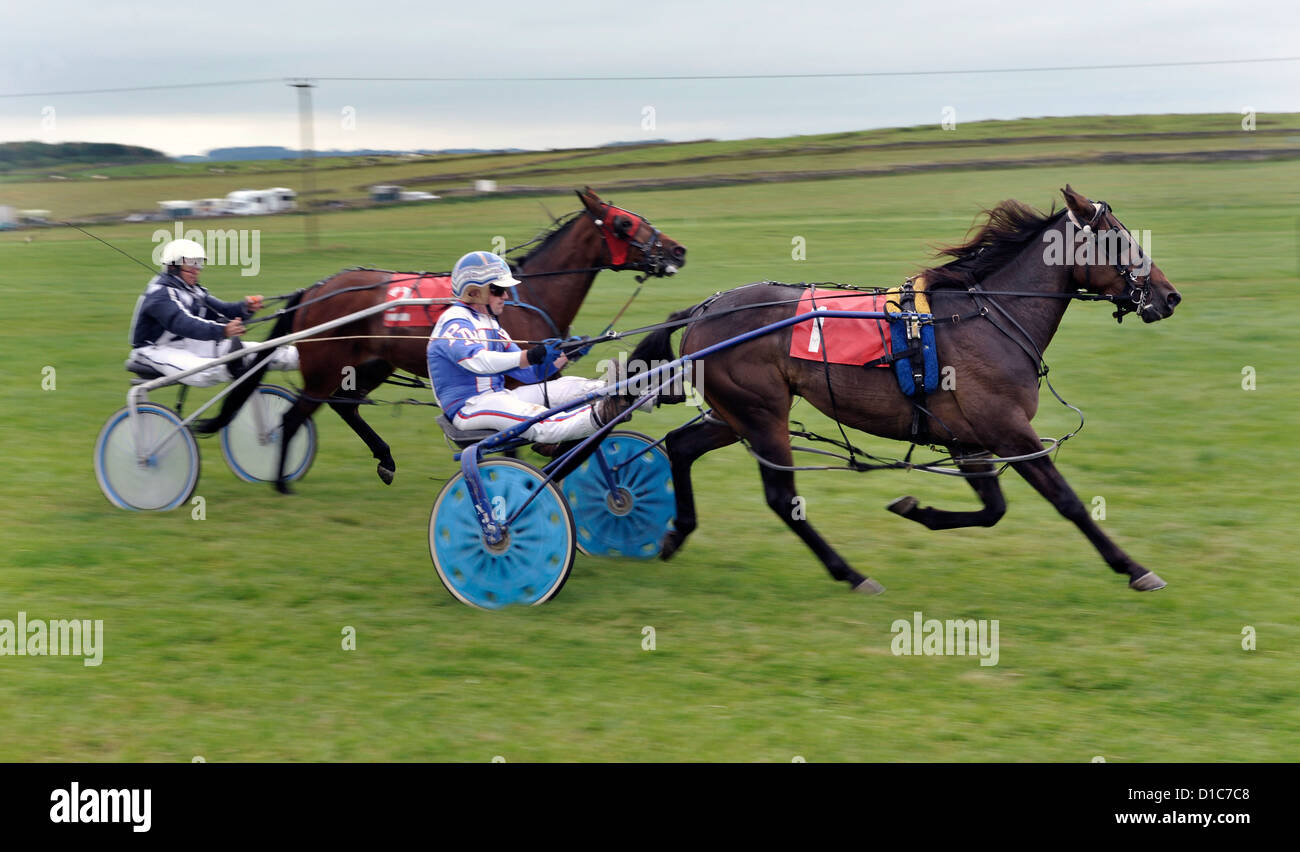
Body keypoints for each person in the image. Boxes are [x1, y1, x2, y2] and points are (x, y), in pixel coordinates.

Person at [427, 251, 623, 443]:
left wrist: (566, 353)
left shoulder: (490, 323)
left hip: (497, 396)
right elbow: (477, 361)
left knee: (568, 386)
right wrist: (529, 355)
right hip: (469, 407)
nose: (505, 295)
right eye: (497, 289)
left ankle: (626, 392)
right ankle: (604, 412)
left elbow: (530, 374)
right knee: (541, 419)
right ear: (472, 292)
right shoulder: (455, 321)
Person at [126, 238, 298, 386]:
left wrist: (245, 308)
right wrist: (222, 330)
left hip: (189, 344)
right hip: (155, 350)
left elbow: (221, 311)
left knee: (259, 352)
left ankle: (303, 356)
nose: (197, 269)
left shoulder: (193, 290)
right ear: (173, 266)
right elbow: (183, 323)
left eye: (199, 263)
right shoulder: (159, 294)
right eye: (191, 263)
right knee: (212, 370)